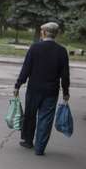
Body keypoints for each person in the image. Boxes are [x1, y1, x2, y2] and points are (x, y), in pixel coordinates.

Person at [14, 21, 70, 155]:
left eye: (41, 31)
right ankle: (39, 148)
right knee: (46, 119)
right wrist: (66, 92)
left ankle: (28, 141)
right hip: (51, 91)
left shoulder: (35, 48)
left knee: (30, 115)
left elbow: (26, 69)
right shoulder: (62, 51)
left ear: (44, 33)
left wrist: (18, 85)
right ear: (55, 34)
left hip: (34, 89)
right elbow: (65, 74)